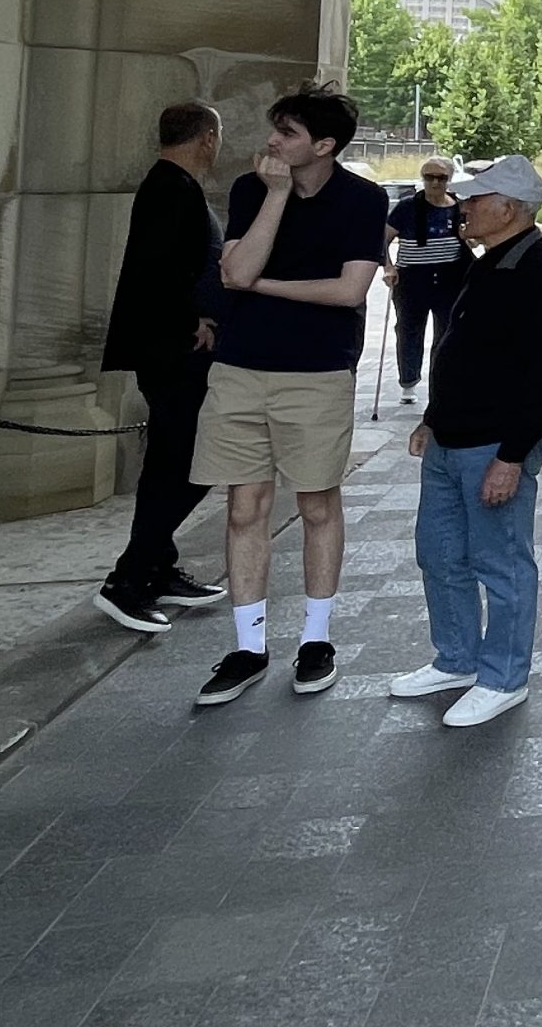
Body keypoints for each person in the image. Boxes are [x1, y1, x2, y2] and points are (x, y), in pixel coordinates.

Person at [192, 83, 387, 706]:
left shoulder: (363, 199)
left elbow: (348, 292)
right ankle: (248, 647)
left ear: (324, 145)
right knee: (243, 507)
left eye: (287, 133)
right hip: (240, 368)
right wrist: (276, 196)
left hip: (317, 372)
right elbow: (235, 271)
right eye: (275, 129)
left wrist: (263, 286)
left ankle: (316, 639)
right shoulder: (251, 189)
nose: (272, 142)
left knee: (317, 504)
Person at [389, 155, 542, 728]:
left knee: (502, 564)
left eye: (475, 199)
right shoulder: (488, 260)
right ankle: (457, 660)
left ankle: (504, 678)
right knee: (440, 554)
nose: (462, 207)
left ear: (508, 209)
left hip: (493, 445)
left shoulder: (540, 272)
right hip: (451, 438)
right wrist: (432, 417)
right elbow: (460, 350)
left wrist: (511, 457)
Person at [92, 102, 232, 633]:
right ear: (207, 137)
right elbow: (156, 273)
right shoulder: (169, 188)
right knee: (190, 462)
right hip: (174, 352)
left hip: (177, 350)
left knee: (175, 462)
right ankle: (128, 580)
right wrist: (190, 322)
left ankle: (156, 567)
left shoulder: (175, 185)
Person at [382, 158, 471, 407]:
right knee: (409, 331)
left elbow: (473, 236)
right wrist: (388, 267)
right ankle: (408, 382)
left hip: (450, 278)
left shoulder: (459, 207)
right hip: (412, 278)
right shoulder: (407, 207)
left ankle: (440, 385)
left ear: (449, 180)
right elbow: (382, 239)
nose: (434, 183)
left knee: (447, 333)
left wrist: (469, 239)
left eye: (440, 178)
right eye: (428, 177)